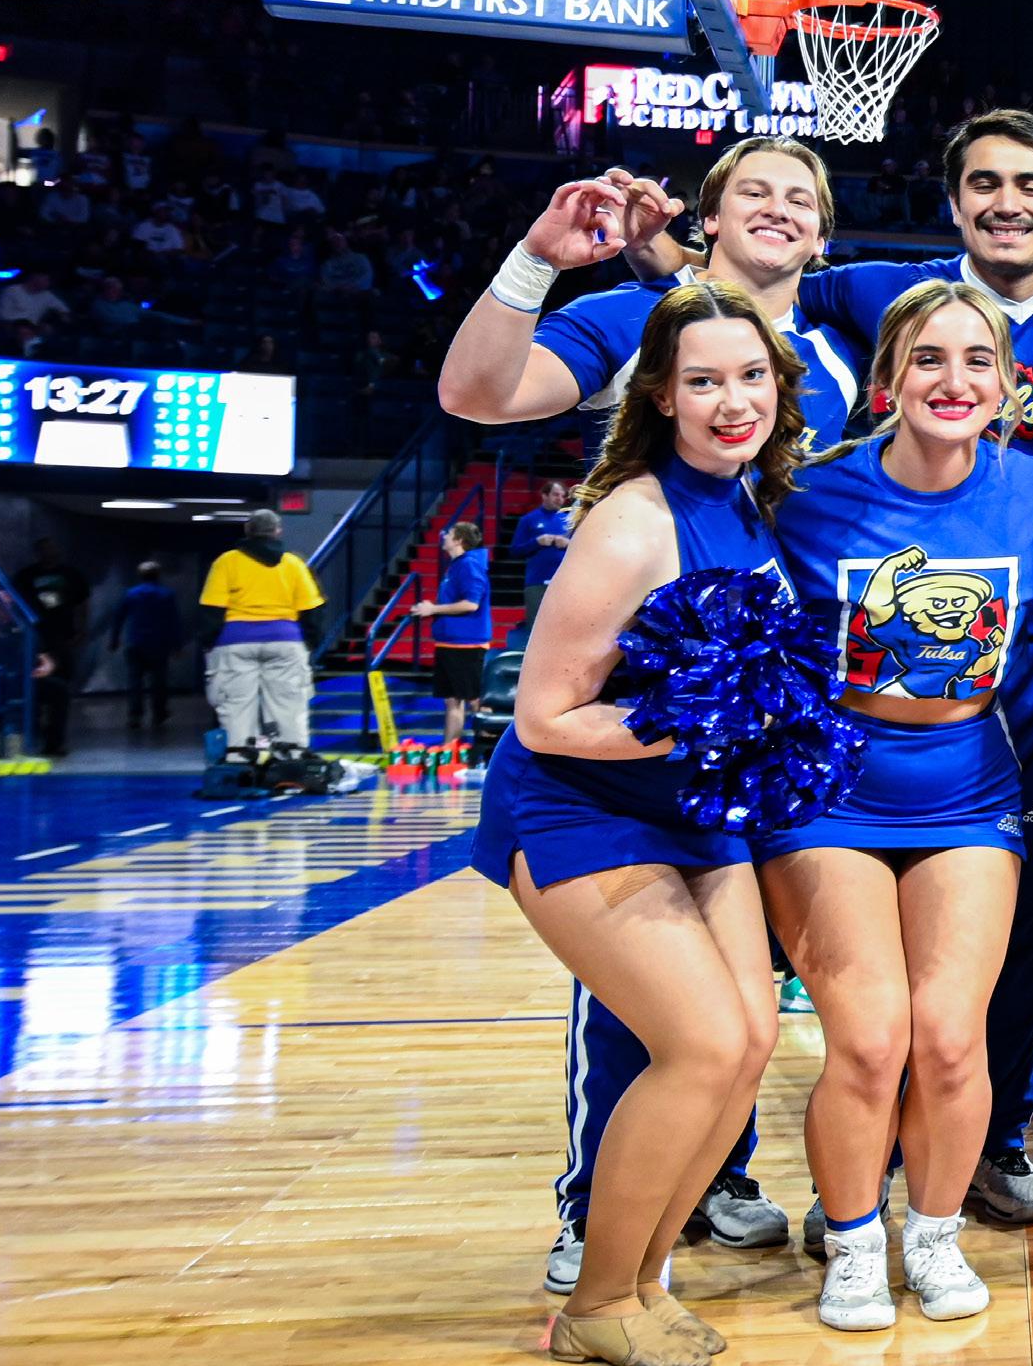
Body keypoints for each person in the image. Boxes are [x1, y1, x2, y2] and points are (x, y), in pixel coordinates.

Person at [754, 110, 1033, 1233]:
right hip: (873, 714)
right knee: (863, 989)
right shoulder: (872, 303)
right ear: (951, 204)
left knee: (1016, 934)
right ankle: (838, 1177)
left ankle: (989, 1142)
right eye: (985, 183)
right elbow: (752, 282)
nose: (1008, 202)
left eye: (1032, 184)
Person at [470, 281, 797, 1366]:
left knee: (747, 1045)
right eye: (703, 381)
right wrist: (708, 718)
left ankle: (642, 1283)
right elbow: (546, 715)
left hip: (695, 809)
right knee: (700, 1045)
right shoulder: (634, 521)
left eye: (750, 376)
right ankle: (598, 1299)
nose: (732, 401)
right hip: (580, 805)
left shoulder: (749, 497)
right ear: (661, 395)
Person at [766, 279, 1033, 1332]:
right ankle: (854, 1242)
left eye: (977, 360)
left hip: (969, 787)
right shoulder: (808, 494)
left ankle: (934, 1236)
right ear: (885, 382)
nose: (955, 380)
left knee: (951, 1036)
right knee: (869, 1039)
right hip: (832, 794)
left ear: (1008, 384)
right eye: (929, 359)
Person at [440, 137, 865, 450]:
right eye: (754, 193)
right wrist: (534, 262)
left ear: (820, 240)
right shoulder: (626, 316)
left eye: (800, 202)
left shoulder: (844, 345)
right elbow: (476, 398)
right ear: (712, 218)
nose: (777, 210)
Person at [199, 513, 321, 751]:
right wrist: (309, 644)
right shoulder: (294, 563)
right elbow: (312, 610)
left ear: (247, 530)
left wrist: (209, 643)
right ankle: (291, 757)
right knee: (289, 703)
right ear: (278, 531)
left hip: (235, 641)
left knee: (236, 704)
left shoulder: (227, 562)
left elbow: (212, 609)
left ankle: (239, 756)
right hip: (285, 640)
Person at [409, 521, 494, 759]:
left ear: (459, 540)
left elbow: (471, 603)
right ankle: (449, 752)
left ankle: (491, 753)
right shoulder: (457, 565)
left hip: (466, 644)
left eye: (450, 533)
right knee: (453, 701)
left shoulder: (469, 565)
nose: (444, 535)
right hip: (450, 642)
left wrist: (433, 609)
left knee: (475, 701)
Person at [16, 538, 88, 757]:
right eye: (44, 548)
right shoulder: (26, 576)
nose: (49, 551)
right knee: (39, 690)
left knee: (60, 686)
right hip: (36, 636)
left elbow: (83, 603)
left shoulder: (70, 574)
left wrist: (81, 629)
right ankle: (34, 732)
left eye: (52, 547)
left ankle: (53, 740)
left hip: (61, 637)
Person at [110, 560, 185, 731]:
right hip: (159, 644)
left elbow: (119, 618)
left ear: (140, 575)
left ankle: (135, 715)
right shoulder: (167, 595)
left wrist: (114, 639)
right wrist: (177, 646)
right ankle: (159, 713)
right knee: (159, 681)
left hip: (136, 642)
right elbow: (174, 621)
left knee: (135, 680)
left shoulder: (131, 594)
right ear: (158, 575)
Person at [514, 481, 577, 640]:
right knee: (536, 629)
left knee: (563, 627)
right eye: (555, 495)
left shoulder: (569, 521)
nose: (560, 499)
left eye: (562, 496)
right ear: (544, 495)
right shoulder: (529, 520)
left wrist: (569, 544)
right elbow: (515, 550)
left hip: (564, 582)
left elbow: (582, 550)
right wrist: (536, 542)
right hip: (537, 582)